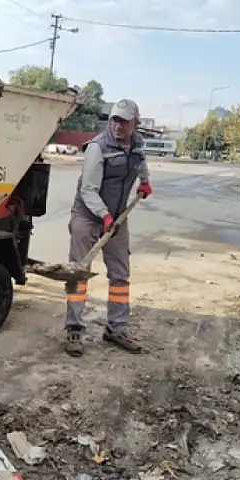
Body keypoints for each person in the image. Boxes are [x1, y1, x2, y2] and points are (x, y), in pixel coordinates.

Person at [63, 99, 153, 357]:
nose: (117, 125)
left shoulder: (137, 144)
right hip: (88, 215)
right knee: (78, 272)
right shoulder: (97, 148)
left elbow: (140, 161)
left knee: (120, 274)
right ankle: (74, 329)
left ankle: (117, 327)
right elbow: (88, 189)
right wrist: (103, 216)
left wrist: (144, 181)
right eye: (114, 119)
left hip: (117, 216)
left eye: (124, 121)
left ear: (135, 123)